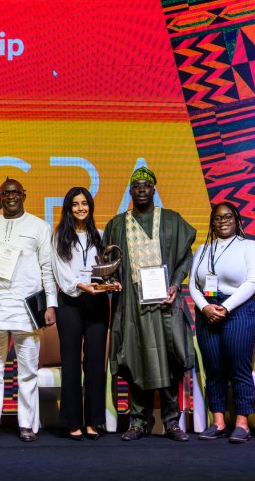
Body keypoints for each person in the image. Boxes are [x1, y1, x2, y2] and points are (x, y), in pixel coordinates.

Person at [103, 166, 196, 442]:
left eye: (146, 185)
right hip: (132, 306)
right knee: (134, 359)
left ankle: (171, 421)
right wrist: (113, 282)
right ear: (130, 191)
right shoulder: (117, 224)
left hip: (165, 304)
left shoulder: (171, 220)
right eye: (136, 186)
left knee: (170, 359)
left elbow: (185, 258)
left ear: (154, 189)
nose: (141, 189)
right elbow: (107, 263)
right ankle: (138, 421)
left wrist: (176, 284)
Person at [0, 178, 57, 443]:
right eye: (5, 193)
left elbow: (48, 268)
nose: (10, 196)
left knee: (28, 369)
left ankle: (26, 424)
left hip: (26, 306)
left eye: (15, 192)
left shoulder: (39, 226)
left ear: (24, 194)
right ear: (0, 196)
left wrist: (50, 304)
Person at [190, 202, 255, 443]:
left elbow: (253, 282)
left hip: (238, 310)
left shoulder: (249, 247)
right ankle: (218, 422)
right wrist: (205, 307)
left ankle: (242, 423)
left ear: (237, 220)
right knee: (213, 370)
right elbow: (193, 284)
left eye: (228, 217)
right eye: (218, 218)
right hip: (207, 313)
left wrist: (226, 306)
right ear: (212, 222)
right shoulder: (203, 249)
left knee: (238, 369)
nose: (223, 221)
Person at [51, 186, 111, 441]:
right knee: (72, 362)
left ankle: (94, 421)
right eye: (75, 204)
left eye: (84, 203)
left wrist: (111, 282)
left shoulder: (99, 235)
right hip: (70, 302)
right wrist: (79, 284)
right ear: (68, 208)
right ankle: (72, 421)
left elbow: (106, 267)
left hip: (97, 301)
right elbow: (60, 271)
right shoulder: (59, 237)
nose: (80, 208)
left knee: (96, 363)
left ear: (90, 206)